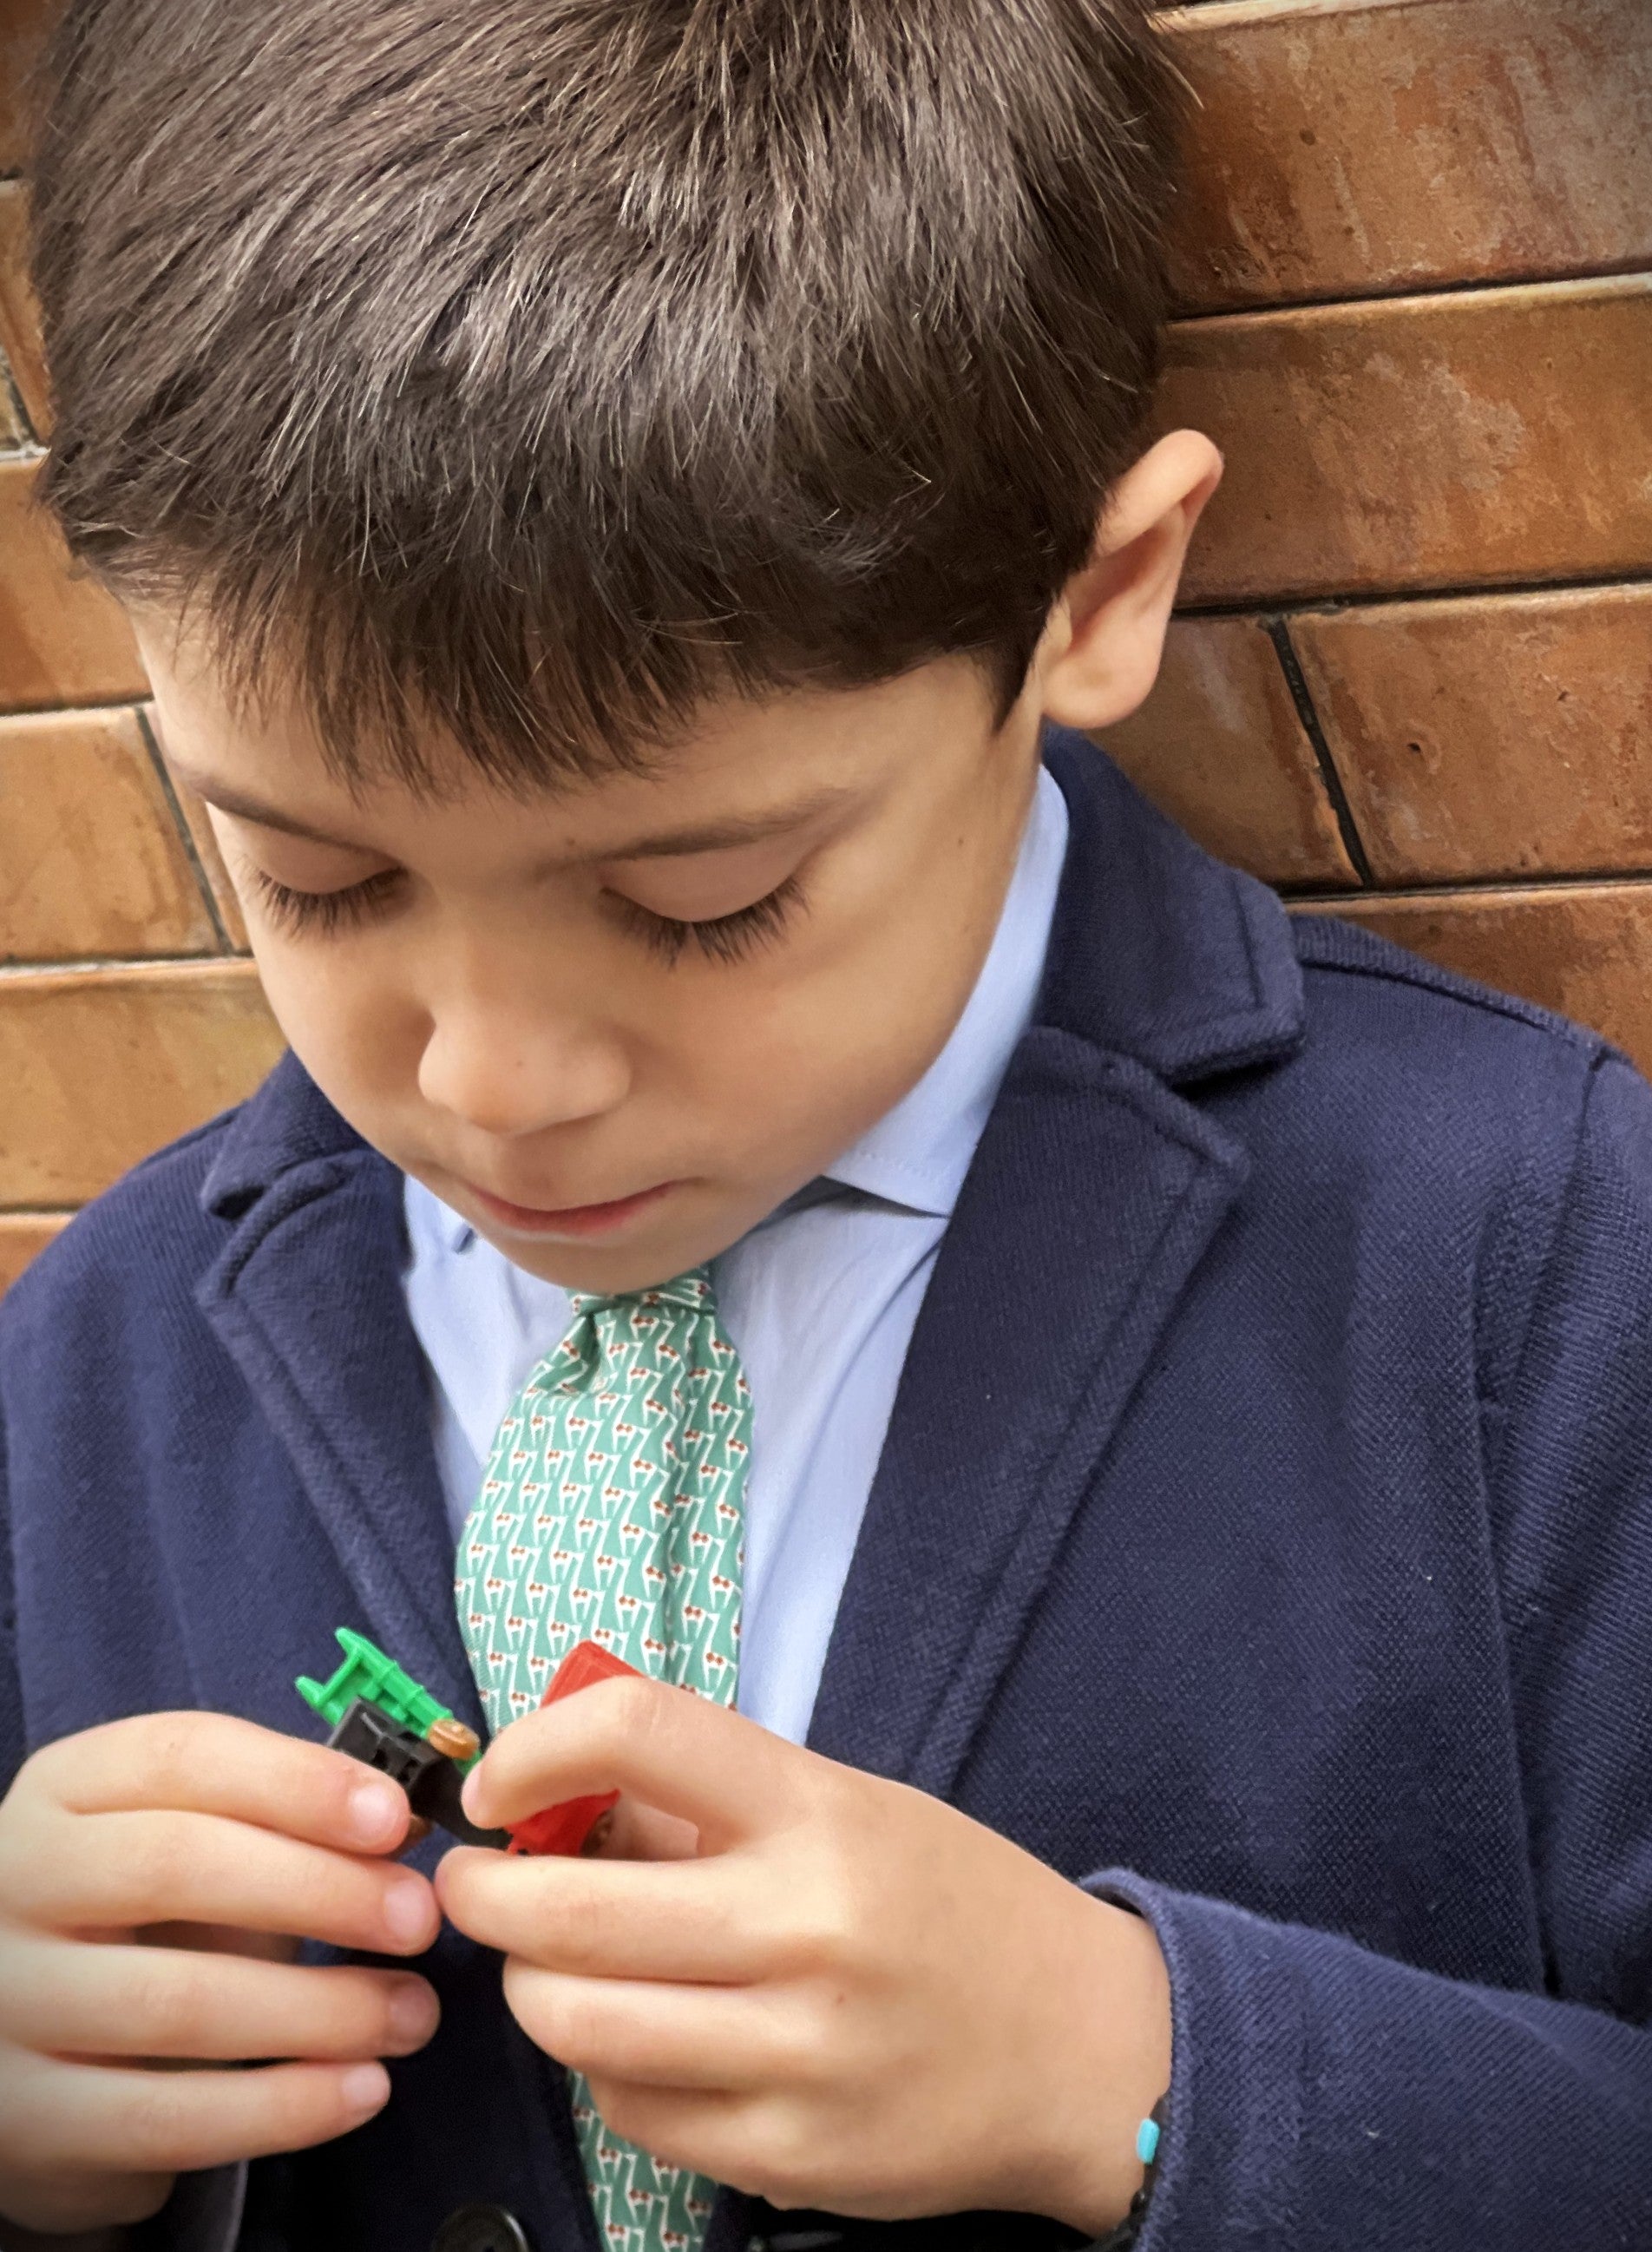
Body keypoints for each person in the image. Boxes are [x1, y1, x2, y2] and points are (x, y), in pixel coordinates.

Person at [2, 2, 1650, 2248]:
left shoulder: (1524, 1250)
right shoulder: (88, 1366)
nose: (489, 1077)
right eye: (310, 873)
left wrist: (1148, 2071)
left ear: (1094, 598)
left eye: (705, 899)